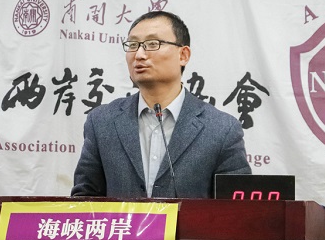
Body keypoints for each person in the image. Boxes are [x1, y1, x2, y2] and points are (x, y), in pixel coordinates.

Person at [71, 11, 251, 198]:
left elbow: (235, 208)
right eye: (132, 45)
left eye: (152, 44)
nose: (139, 55)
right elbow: (84, 199)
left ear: (183, 55)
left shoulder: (222, 129)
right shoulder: (102, 122)